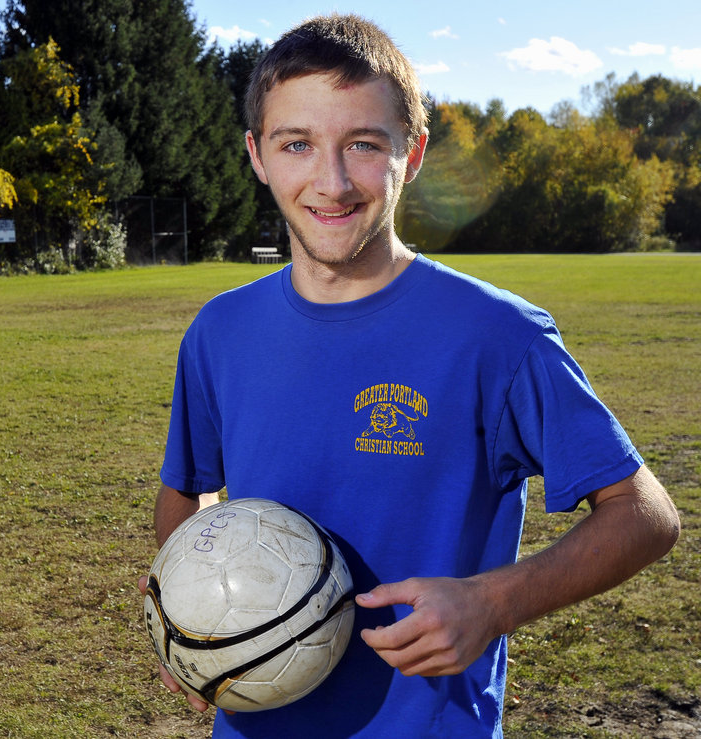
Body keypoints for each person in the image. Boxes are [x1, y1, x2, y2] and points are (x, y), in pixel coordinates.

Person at [139, 13, 680, 738]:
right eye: (296, 143)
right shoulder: (219, 332)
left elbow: (646, 515)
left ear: (413, 152)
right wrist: (187, 609)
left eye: (363, 145)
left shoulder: (498, 336)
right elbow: (188, 490)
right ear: (258, 155)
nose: (330, 182)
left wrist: (495, 602)